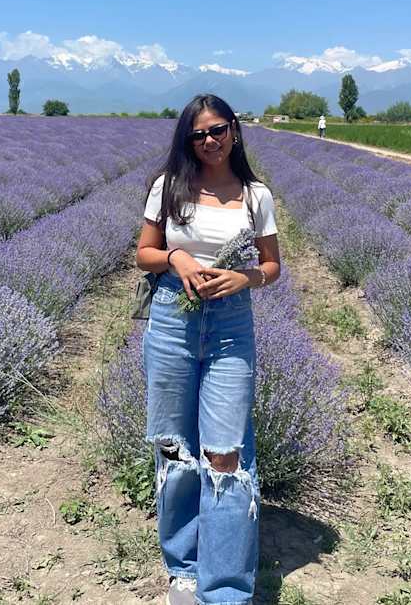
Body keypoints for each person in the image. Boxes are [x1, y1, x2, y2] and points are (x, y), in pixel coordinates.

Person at [136, 93, 281, 605]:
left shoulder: (256, 195)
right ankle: (184, 568)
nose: (210, 141)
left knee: (226, 454)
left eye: (218, 130)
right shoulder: (168, 186)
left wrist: (245, 279)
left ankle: (225, 590)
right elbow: (144, 253)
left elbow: (272, 265)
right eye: (198, 134)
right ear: (187, 139)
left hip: (229, 324)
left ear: (234, 131)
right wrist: (175, 258)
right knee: (175, 448)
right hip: (172, 318)